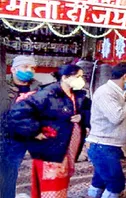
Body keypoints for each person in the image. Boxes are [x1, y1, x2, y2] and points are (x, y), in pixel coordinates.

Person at [8, 64, 91, 198]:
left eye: (82, 76)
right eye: (78, 76)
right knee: (52, 184)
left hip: (69, 145)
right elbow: (18, 112)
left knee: (63, 179)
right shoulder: (48, 93)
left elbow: (91, 111)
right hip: (51, 146)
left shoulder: (79, 95)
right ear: (65, 77)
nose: (81, 80)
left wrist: (82, 117)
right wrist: (34, 131)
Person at [86, 62, 126, 198]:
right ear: (125, 76)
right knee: (116, 183)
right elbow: (116, 116)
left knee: (100, 180)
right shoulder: (106, 92)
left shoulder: (117, 92)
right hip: (103, 145)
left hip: (110, 145)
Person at [0, 55, 40, 198]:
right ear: (13, 69)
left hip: (27, 138)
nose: (29, 70)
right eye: (25, 67)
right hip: (6, 137)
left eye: (32, 67)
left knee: (13, 172)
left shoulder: (39, 89)